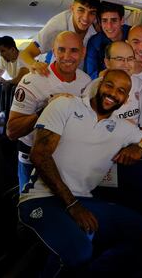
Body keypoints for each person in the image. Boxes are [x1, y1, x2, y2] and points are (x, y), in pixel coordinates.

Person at [19, 69, 142, 276]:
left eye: (121, 91)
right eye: (109, 85)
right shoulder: (66, 105)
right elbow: (40, 156)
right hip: (42, 199)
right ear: (99, 85)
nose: (112, 93)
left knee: (138, 227)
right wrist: (72, 205)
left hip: (83, 200)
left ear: (125, 99)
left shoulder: (121, 127)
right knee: (79, 252)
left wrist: (139, 147)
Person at [7, 31, 91, 192]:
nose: (67, 56)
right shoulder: (32, 80)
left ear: (83, 52)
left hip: (64, 155)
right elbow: (12, 131)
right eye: (61, 50)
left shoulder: (86, 81)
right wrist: (46, 110)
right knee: (28, 207)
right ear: (53, 50)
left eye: (74, 50)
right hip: (31, 155)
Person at [20, 0, 99, 74]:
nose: (85, 18)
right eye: (81, 10)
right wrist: (34, 64)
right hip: (56, 77)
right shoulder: (57, 26)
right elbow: (26, 53)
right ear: (72, 8)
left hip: (81, 77)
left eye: (92, 13)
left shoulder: (99, 24)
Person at [85, 2, 131, 79]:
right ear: (100, 22)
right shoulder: (94, 42)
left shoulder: (132, 33)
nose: (109, 26)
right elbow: (90, 75)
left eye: (114, 20)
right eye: (105, 21)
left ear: (122, 20)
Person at [103, 41, 142, 123]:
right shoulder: (94, 89)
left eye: (130, 59)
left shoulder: (141, 86)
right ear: (107, 63)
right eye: (119, 59)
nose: (126, 64)